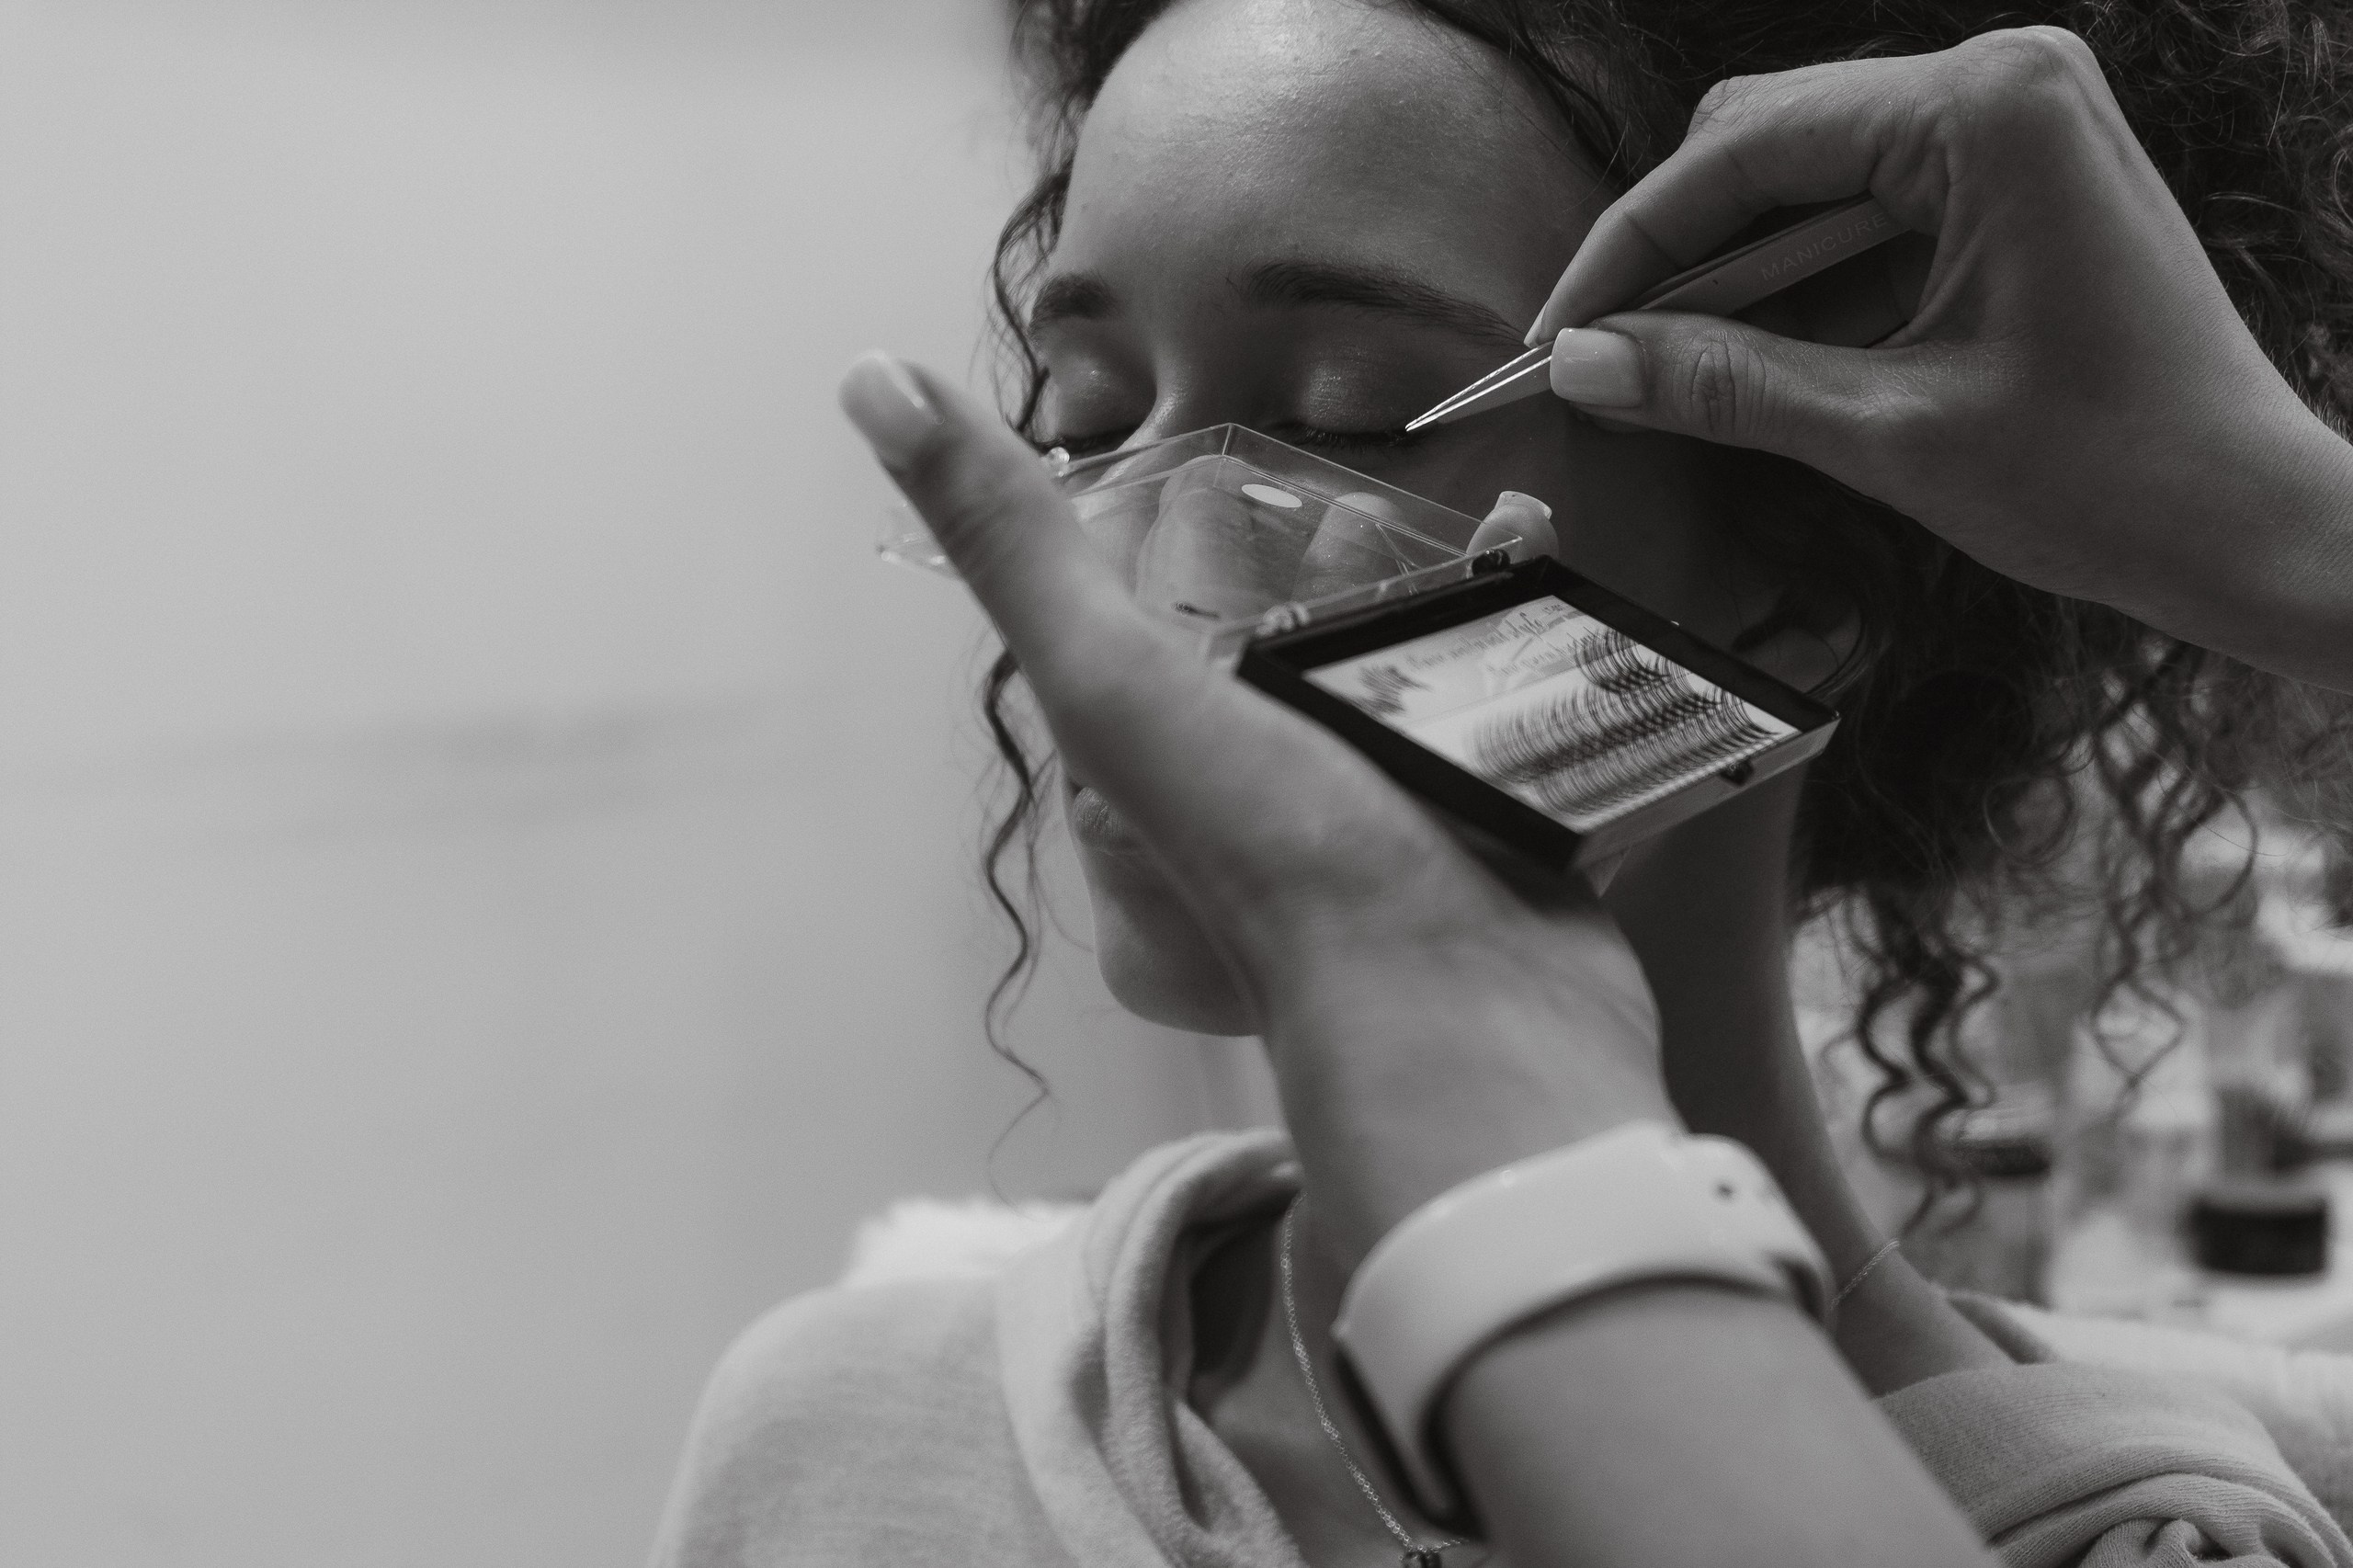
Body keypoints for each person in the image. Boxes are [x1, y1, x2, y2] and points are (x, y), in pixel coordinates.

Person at [652, 3, 2353, 1565]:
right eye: (1089, 421)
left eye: (1355, 424)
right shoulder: (838, 1438)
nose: (1123, 589)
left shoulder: (2126, 1534)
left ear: (1803, 587)